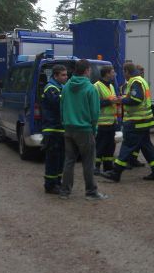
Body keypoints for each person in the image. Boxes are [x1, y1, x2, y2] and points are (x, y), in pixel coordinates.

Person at [102, 62, 154, 182]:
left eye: (124, 72)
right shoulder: (141, 80)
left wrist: (122, 100)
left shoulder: (135, 81)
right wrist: (124, 98)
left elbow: (136, 99)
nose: (123, 75)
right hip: (144, 121)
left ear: (127, 72)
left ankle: (116, 173)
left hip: (136, 121)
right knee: (147, 147)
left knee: (127, 146)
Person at [59, 59, 108, 201]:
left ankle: (65, 192)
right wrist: (94, 129)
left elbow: (62, 107)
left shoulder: (67, 86)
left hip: (68, 128)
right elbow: (94, 112)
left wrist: (65, 123)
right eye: (90, 69)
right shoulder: (90, 88)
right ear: (86, 70)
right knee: (88, 162)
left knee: (69, 160)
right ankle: (91, 192)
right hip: (84, 130)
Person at [41, 64, 68, 194]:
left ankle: (57, 182)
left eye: (66, 74)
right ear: (55, 75)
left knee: (60, 158)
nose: (66, 77)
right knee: (52, 158)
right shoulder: (50, 88)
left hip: (60, 129)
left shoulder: (61, 87)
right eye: (63, 75)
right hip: (52, 129)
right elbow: (58, 103)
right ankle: (50, 185)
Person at [93, 65, 119, 175]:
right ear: (107, 73)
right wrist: (110, 102)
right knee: (100, 146)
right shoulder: (96, 86)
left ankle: (108, 167)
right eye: (113, 72)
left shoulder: (111, 86)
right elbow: (95, 104)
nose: (114, 74)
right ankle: (96, 167)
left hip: (111, 122)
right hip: (102, 123)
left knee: (110, 146)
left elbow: (111, 99)